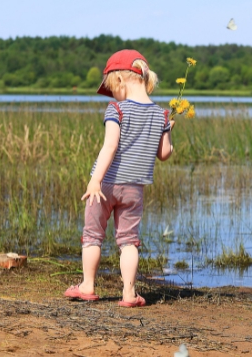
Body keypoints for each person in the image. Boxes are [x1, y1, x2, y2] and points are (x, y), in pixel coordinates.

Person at [64, 49, 173, 307]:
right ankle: (129, 293)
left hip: (106, 184)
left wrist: (95, 181)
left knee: (92, 235)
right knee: (128, 241)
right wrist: (168, 130)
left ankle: (88, 285)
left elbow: (109, 147)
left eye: (112, 87)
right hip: (135, 188)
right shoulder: (162, 115)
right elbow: (165, 154)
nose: (112, 94)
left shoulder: (117, 109)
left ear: (121, 81)